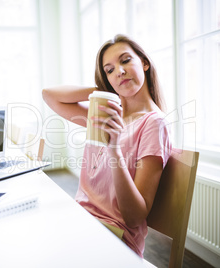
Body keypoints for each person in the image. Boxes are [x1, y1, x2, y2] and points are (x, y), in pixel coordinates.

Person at [42, 34, 172, 257]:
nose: (119, 71)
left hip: (113, 237)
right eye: (109, 70)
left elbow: (134, 217)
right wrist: (103, 88)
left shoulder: (154, 123)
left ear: (144, 62)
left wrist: (114, 148)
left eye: (125, 60)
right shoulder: (107, 113)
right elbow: (50, 96)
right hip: (82, 221)